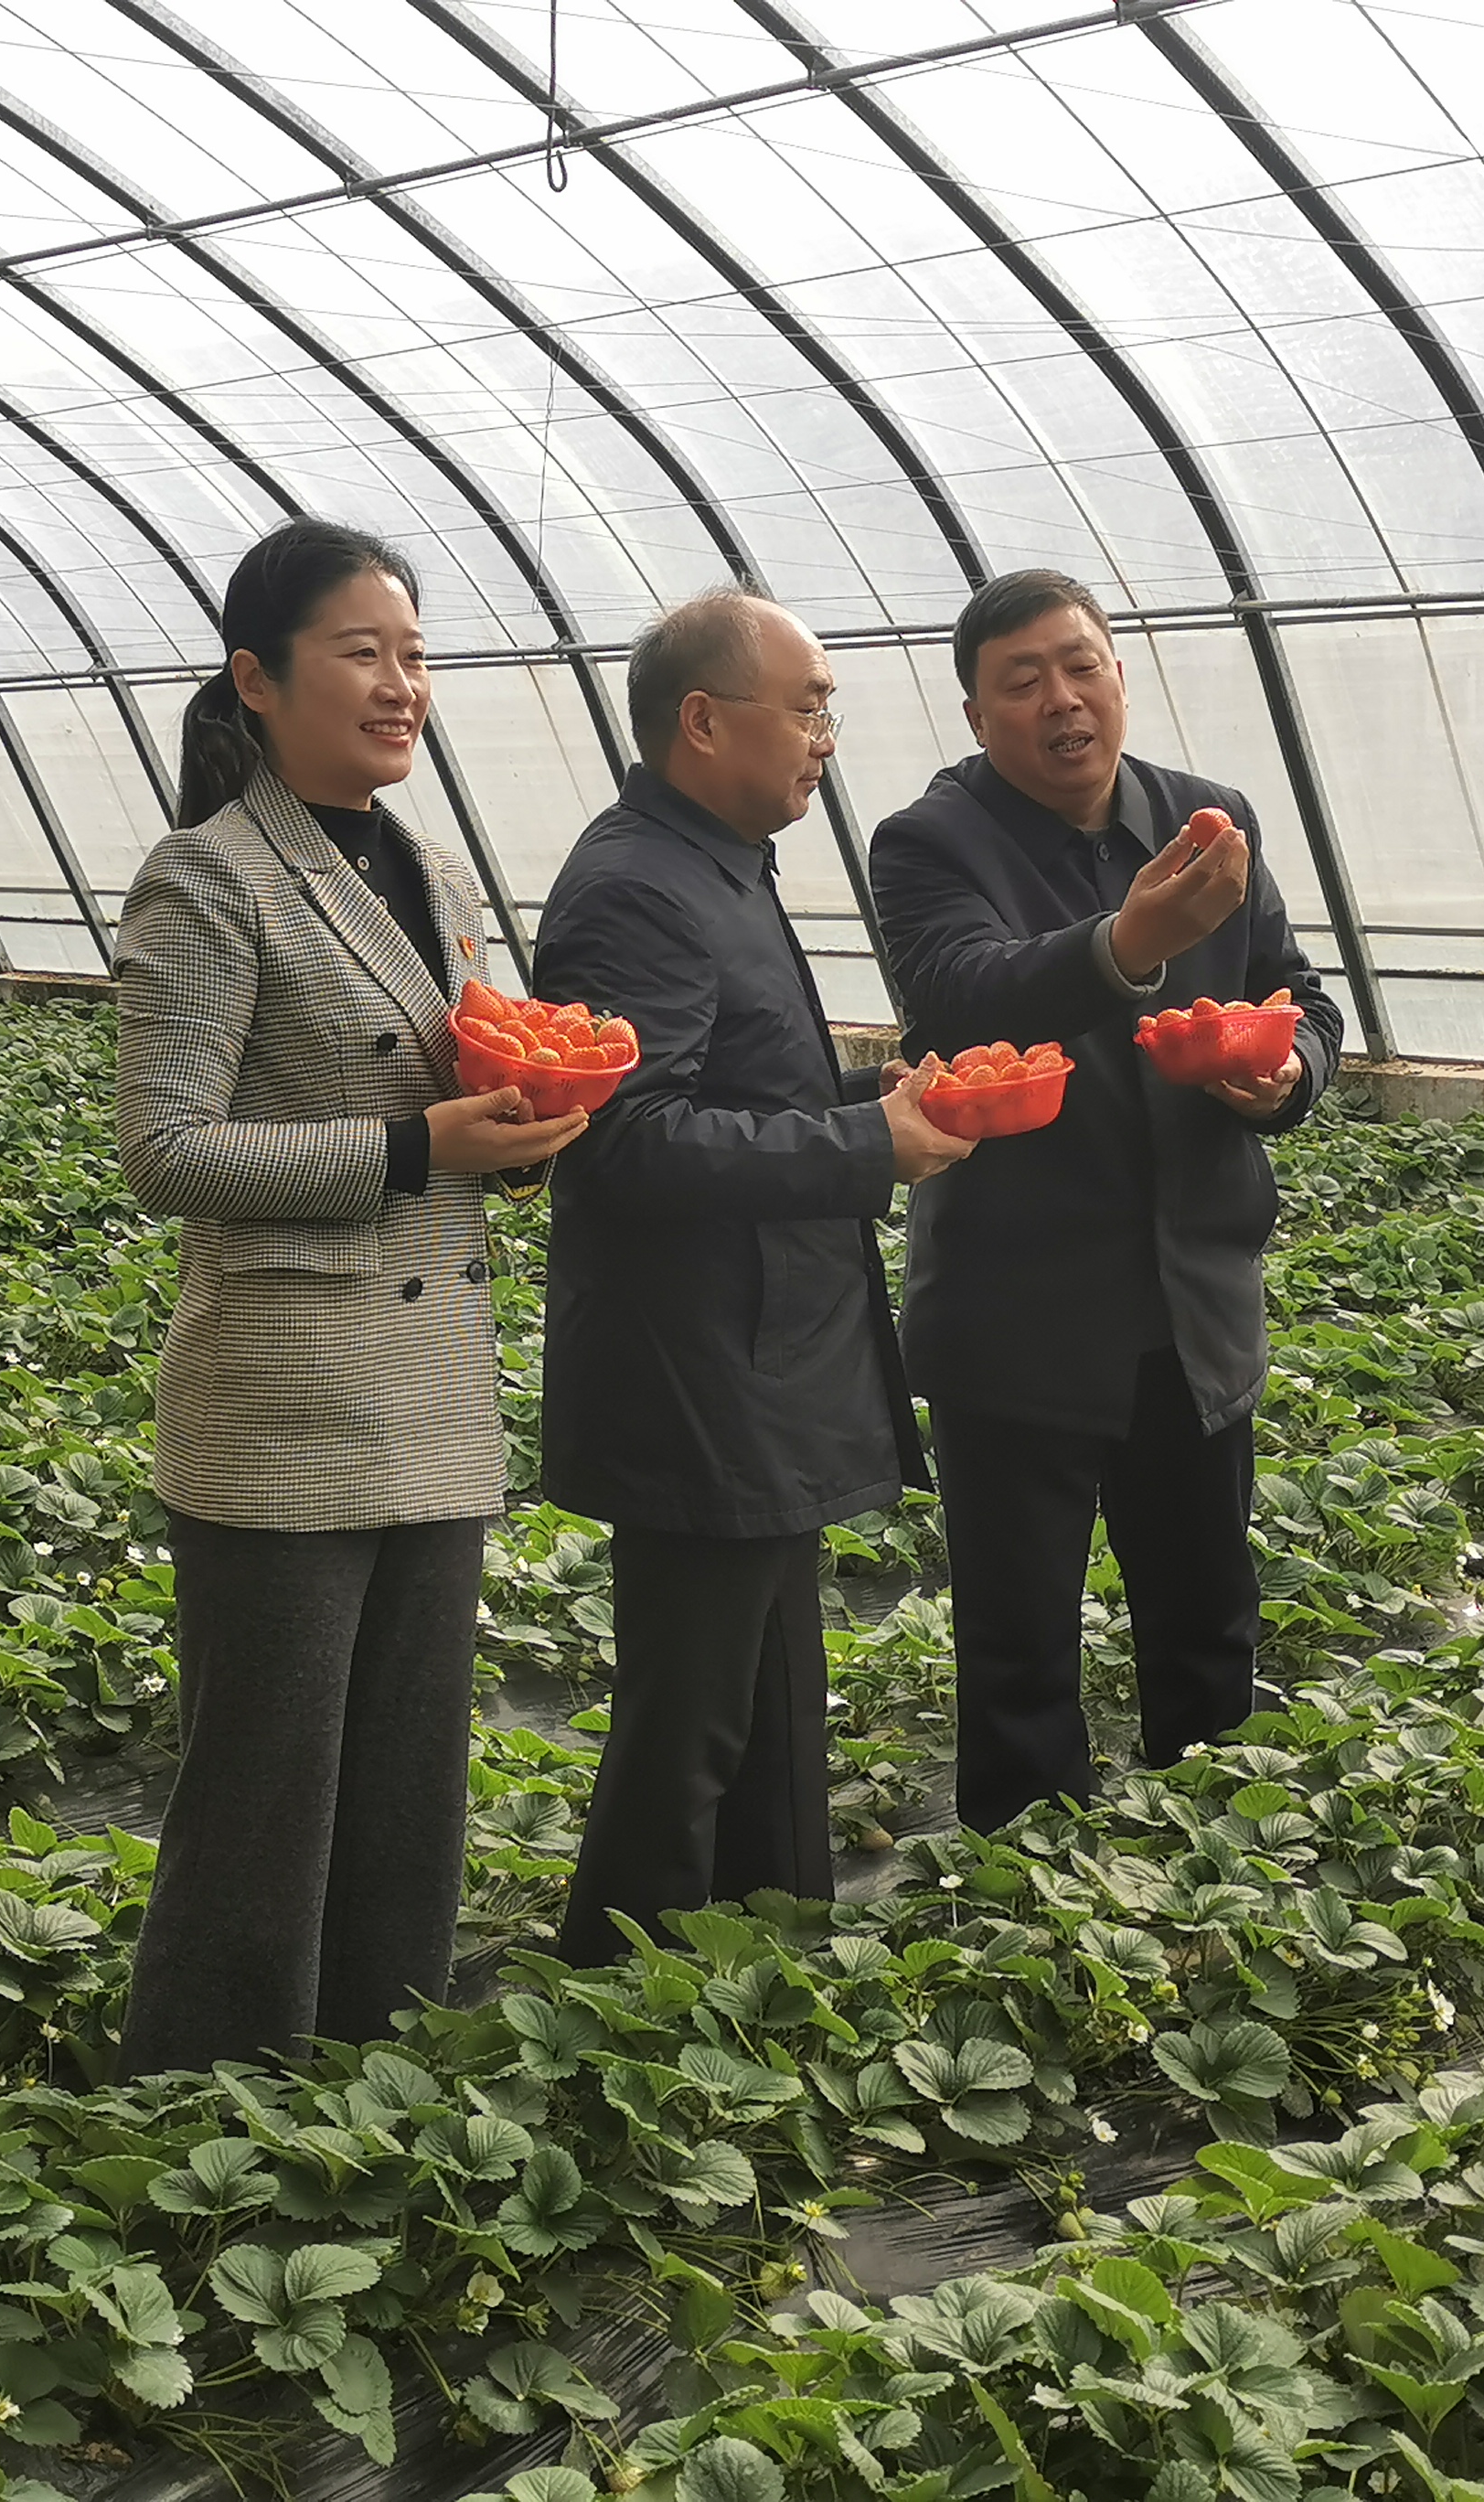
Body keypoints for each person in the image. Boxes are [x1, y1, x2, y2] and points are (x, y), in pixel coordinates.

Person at [110, 519, 586, 2077]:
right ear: (257, 679)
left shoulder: (430, 871)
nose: (401, 686)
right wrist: (413, 1146)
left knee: (407, 1790)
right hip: (286, 1401)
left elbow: (460, 1087)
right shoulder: (209, 875)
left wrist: (523, 1132)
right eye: (362, 653)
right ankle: (203, 2099)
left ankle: (376, 2086)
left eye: (416, 655)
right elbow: (168, 1150)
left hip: (432, 1390)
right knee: (266, 1800)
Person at [531, 586, 977, 1966]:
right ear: (705, 721)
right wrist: (865, 1145)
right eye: (808, 708)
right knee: (691, 1725)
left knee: (771, 1701)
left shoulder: (713, 862)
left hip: (756, 1364)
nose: (826, 736)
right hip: (698, 1375)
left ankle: (770, 1965)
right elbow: (623, 1140)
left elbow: (733, 1087)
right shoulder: (637, 889)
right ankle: (620, 1999)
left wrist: (863, 1099)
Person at [869, 570, 1343, 1834]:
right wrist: (1128, 944)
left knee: (1208, 1620)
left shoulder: (1209, 819)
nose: (1062, 700)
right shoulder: (929, 844)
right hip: (1020, 1312)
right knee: (1020, 1647)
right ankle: (1031, 1893)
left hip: (1193, 1300)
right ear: (977, 715)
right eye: (1022, 682)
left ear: (1120, 675)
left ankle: (1218, 1858)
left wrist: (1287, 1073)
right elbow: (963, 991)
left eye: (1082, 666)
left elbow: (1298, 992)